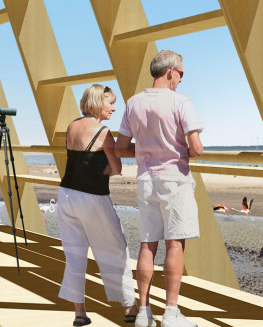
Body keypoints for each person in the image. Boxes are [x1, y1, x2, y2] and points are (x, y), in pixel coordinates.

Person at [116, 50, 204, 327]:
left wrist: (146, 149)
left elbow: (120, 148)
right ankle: (171, 313)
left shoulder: (133, 103)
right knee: (175, 244)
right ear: (170, 72)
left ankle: (143, 312)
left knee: (147, 245)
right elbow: (197, 149)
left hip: (146, 180)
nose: (181, 79)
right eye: (181, 73)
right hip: (174, 179)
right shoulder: (181, 101)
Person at [57, 85, 137, 327]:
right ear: (97, 103)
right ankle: (129, 306)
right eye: (110, 102)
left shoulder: (72, 125)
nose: (114, 107)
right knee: (115, 249)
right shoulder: (103, 132)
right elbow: (118, 169)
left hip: (66, 195)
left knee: (74, 254)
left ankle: (79, 314)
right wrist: (108, 168)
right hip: (93, 197)